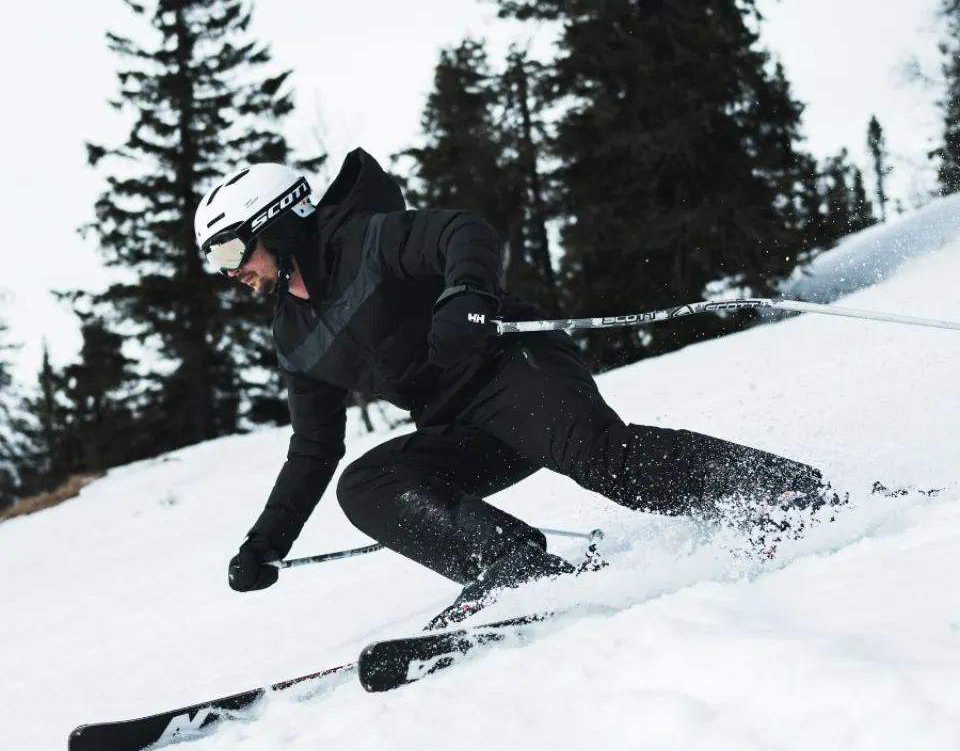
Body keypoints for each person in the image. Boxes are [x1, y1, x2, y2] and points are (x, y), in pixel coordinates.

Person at [194, 149, 831, 623]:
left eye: (230, 254)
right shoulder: (294, 335)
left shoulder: (365, 239)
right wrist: (265, 543)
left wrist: (465, 295)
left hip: (515, 368)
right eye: (216, 264)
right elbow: (313, 448)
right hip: (459, 428)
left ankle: (787, 494)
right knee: (366, 484)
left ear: (274, 225)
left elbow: (462, 231)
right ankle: (512, 567)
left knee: (601, 458)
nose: (231, 275)